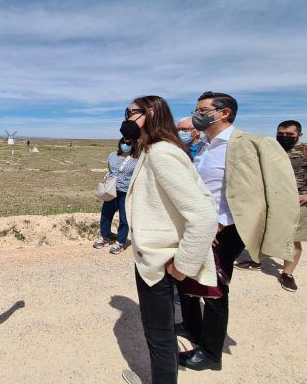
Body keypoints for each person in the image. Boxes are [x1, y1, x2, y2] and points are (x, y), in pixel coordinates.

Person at [177, 92, 299, 372]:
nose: (197, 114)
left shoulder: (251, 144)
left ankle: (211, 354)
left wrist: (220, 223)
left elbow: (263, 192)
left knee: (215, 289)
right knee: (187, 279)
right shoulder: (205, 145)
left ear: (224, 113)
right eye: (196, 109)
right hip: (198, 227)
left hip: (224, 230)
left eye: (203, 109)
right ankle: (192, 327)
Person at [120, 96, 218, 384]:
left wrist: (183, 265)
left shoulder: (162, 153)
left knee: (159, 334)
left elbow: (202, 214)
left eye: (132, 112)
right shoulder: (156, 150)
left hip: (160, 261)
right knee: (161, 331)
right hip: (160, 256)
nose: (126, 118)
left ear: (150, 113)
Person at [234, 120, 306, 292]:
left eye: (289, 134)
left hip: (297, 202)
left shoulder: (304, 150)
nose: (284, 137)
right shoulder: (270, 149)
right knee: (262, 232)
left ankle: (287, 274)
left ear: (299, 135)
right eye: (281, 133)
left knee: (293, 238)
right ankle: (256, 261)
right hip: (270, 200)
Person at [93, 137, 139, 254]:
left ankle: (120, 242)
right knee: (106, 215)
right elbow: (111, 169)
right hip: (111, 191)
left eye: (128, 142)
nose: (125, 144)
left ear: (134, 144)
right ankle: (105, 237)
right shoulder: (113, 155)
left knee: (124, 218)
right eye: (123, 142)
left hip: (126, 192)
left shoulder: (137, 159)